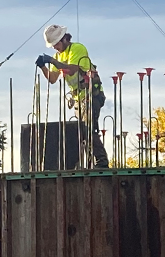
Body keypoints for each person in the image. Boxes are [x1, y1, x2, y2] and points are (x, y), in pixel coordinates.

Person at [36, 25, 109, 168]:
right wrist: (43, 67)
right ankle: (89, 162)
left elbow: (71, 70)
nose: (55, 48)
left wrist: (52, 61)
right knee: (82, 130)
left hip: (91, 94)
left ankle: (101, 161)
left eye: (56, 44)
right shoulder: (58, 56)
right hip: (78, 98)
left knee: (88, 128)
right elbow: (52, 78)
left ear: (64, 39)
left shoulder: (77, 49)